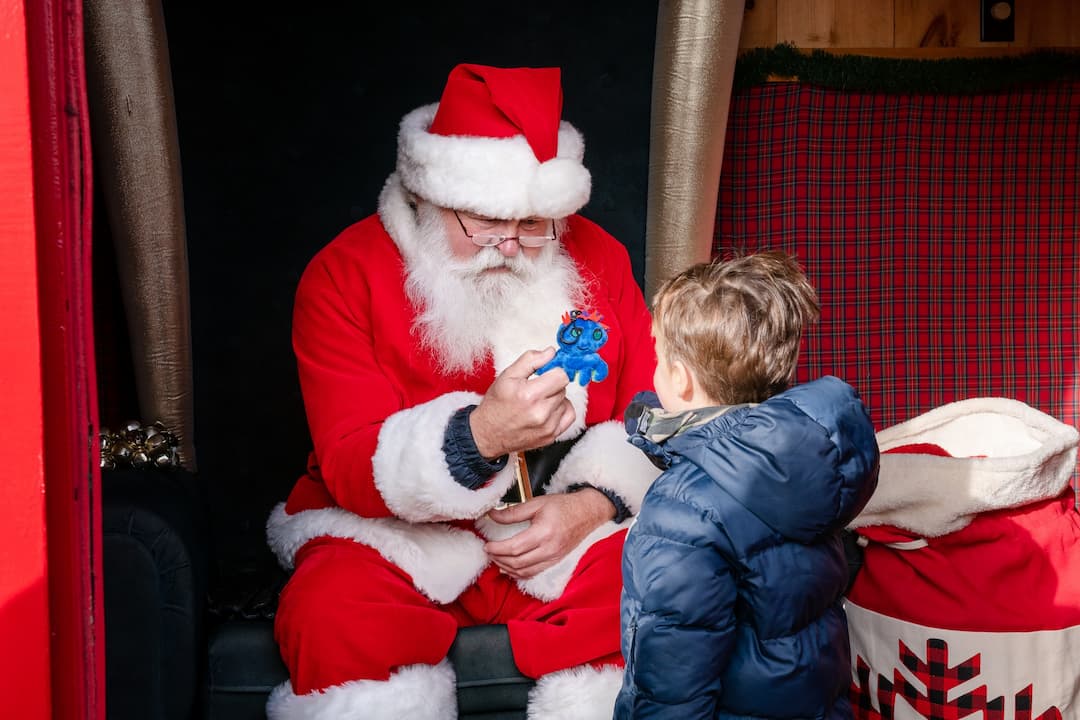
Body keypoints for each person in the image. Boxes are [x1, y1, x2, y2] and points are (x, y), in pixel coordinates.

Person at [264, 63, 660, 720]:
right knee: (330, 611)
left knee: (665, 579)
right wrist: (480, 437)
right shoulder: (343, 274)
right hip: (392, 538)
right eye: (482, 220)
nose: (508, 243)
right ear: (428, 196)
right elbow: (347, 459)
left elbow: (656, 411)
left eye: (535, 223)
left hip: (559, 531)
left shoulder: (600, 258)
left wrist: (589, 506)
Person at [614, 252, 880, 719]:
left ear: (680, 378)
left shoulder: (684, 509)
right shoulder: (805, 464)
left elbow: (671, 675)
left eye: (659, 356)